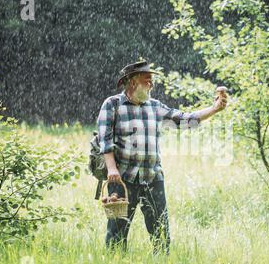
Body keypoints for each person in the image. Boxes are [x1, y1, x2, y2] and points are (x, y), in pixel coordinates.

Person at [97, 61, 227, 254]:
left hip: (152, 178)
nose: (152, 84)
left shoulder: (155, 107)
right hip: (122, 178)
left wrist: (214, 108)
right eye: (147, 80)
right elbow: (104, 139)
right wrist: (112, 169)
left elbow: (185, 120)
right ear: (133, 82)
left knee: (161, 231)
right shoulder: (112, 104)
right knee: (117, 232)